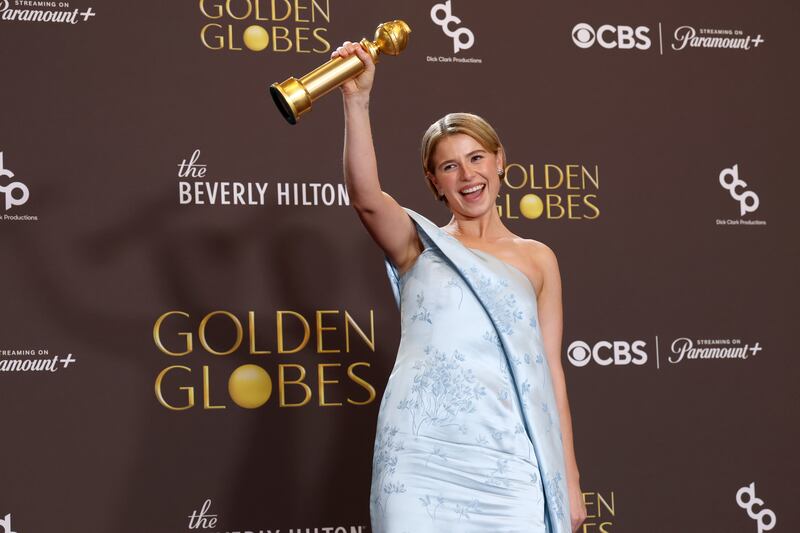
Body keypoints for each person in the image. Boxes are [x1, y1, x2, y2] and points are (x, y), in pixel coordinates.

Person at [333, 41, 586, 533]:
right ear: (434, 182)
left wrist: (570, 478)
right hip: (419, 456)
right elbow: (365, 198)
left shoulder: (538, 259)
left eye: (476, 158)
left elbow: (550, 373)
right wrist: (356, 100)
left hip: (509, 458)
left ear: (499, 161)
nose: (467, 176)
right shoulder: (417, 245)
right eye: (450, 166)